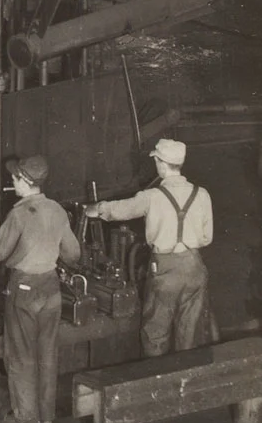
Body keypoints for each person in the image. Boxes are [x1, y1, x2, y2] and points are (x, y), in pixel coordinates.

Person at [0, 155, 79, 423]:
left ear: (26, 181)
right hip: (52, 289)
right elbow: (73, 253)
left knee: (21, 355)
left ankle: (26, 417)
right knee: (47, 354)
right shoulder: (57, 210)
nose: (11, 181)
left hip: (24, 290)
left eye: (15, 177)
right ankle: (47, 417)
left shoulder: (19, 214)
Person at [86, 137, 213, 356]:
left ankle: (157, 384)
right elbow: (206, 238)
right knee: (191, 336)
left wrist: (96, 208)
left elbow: (121, 209)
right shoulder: (201, 195)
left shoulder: (152, 197)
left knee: (156, 334)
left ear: (162, 164)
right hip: (194, 268)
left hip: (165, 271)